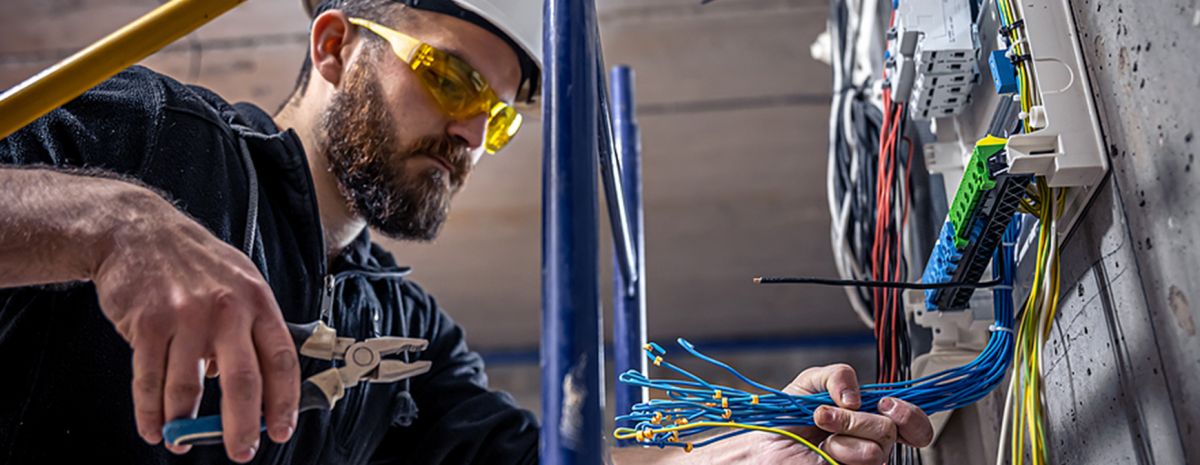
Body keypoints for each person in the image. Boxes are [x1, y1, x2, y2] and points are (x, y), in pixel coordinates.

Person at [0, 0, 933, 463]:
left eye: (496, 119)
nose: (469, 135)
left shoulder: (405, 332)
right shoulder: (160, 141)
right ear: (334, 47)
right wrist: (111, 221)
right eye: (450, 81)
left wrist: (750, 444)